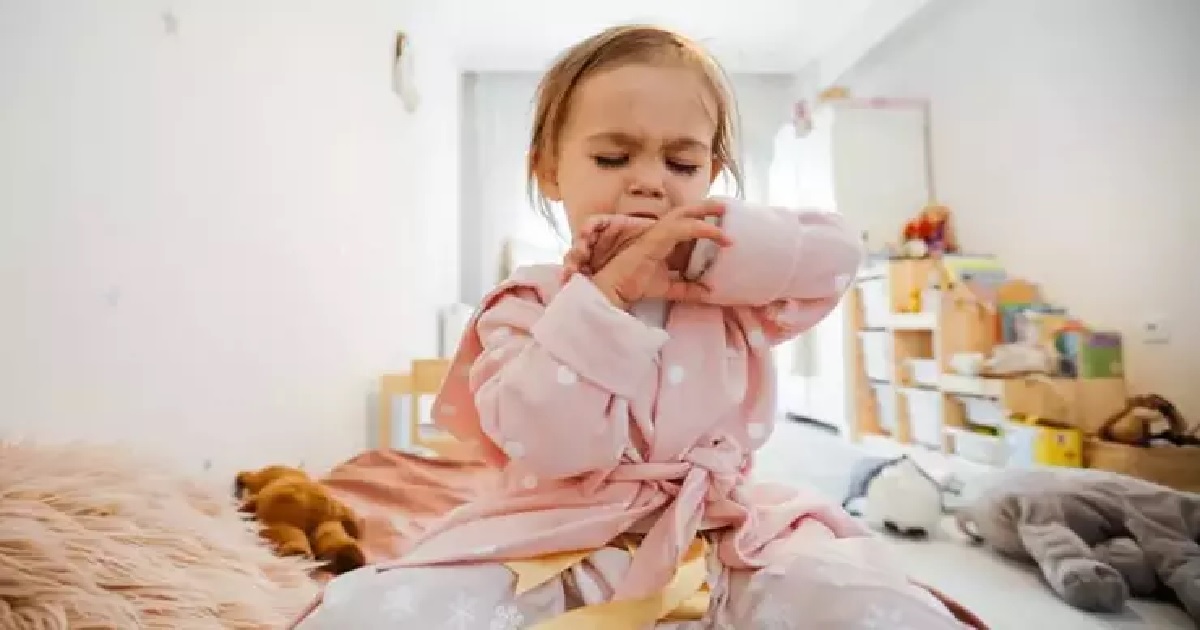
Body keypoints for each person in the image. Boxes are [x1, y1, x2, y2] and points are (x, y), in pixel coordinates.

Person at [293, 24, 972, 629]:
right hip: (558, 539)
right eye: (613, 159)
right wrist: (607, 296)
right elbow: (553, 444)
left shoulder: (729, 287)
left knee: (873, 602)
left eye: (681, 164)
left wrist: (709, 251)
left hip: (722, 534)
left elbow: (835, 257)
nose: (649, 183)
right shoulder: (528, 300)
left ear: (712, 173)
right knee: (380, 612)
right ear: (550, 171)